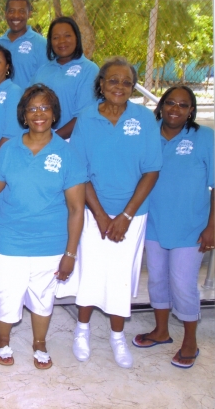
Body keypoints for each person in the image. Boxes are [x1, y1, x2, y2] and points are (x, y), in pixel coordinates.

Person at [0, 84, 86, 370]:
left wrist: (70, 253)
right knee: (6, 292)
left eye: (45, 108)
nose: (38, 113)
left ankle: (39, 343)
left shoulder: (68, 154)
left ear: (54, 114)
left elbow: (77, 209)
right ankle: (2, 340)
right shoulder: (9, 150)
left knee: (43, 296)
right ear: (23, 115)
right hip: (10, 238)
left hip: (51, 243)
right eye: (32, 109)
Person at [70, 57, 162, 369]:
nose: (119, 87)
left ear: (133, 87)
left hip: (132, 214)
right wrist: (100, 216)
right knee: (91, 271)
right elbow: (79, 172)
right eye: (112, 80)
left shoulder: (145, 118)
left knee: (122, 276)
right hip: (93, 210)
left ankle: (117, 337)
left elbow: (151, 171)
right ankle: (81, 331)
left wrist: (124, 216)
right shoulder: (86, 117)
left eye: (126, 82)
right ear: (101, 84)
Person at [132, 86, 214, 369]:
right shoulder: (147, 133)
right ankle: (161, 330)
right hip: (152, 222)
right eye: (170, 103)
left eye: (183, 105)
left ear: (191, 110)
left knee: (182, 283)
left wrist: (212, 226)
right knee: (156, 279)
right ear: (161, 105)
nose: (175, 109)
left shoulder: (205, 138)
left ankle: (190, 340)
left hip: (190, 226)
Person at [30, 16, 99, 139]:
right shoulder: (42, 70)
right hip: (41, 140)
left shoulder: (89, 69)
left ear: (77, 38)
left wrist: (52, 138)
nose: (62, 41)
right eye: (56, 37)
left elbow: (84, 116)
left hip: (72, 141)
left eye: (67, 36)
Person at [0, 0, 48, 90]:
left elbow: (46, 79)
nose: (16, 15)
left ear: (29, 14)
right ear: (5, 14)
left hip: (29, 103)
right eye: (11, 11)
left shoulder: (41, 44)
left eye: (21, 11)